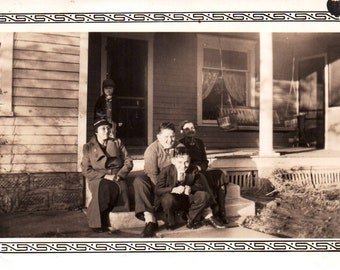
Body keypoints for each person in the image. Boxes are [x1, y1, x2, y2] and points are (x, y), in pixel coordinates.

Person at [81, 118, 133, 233]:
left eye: (108, 128)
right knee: (104, 187)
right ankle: (98, 222)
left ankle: (106, 217)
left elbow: (128, 161)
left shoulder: (117, 142)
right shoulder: (88, 147)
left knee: (120, 188)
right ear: (96, 132)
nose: (106, 131)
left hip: (117, 175)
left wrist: (120, 174)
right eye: (102, 129)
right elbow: (85, 170)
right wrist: (105, 176)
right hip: (97, 178)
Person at [155, 146, 225, 230]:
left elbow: (200, 185)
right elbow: (158, 190)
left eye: (186, 162)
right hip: (172, 200)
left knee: (204, 195)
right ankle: (170, 221)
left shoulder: (193, 170)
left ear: (190, 160)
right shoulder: (166, 170)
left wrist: (191, 188)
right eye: (180, 162)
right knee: (168, 199)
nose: (183, 166)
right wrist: (173, 189)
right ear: (173, 161)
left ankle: (191, 219)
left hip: (187, 199)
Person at [133, 122, 180, 237]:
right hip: (157, 184)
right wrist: (159, 195)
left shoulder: (180, 148)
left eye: (172, 136)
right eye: (166, 137)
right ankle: (150, 219)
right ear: (158, 137)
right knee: (139, 181)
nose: (170, 140)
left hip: (175, 184)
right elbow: (152, 175)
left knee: (170, 198)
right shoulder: (152, 150)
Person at [179, 120, 228, 223]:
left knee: (221, 175)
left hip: (201, 169)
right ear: (181, 131)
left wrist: (201, 167)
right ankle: (214, 207)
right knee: (202, 176)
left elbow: (205, 160)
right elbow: (182, 163)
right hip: (190, 172)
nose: (190, 130)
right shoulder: (180, 144)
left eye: (192, 128)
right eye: (187, 129)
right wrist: (195, 168)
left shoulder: (199, 142)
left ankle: (222, 212)